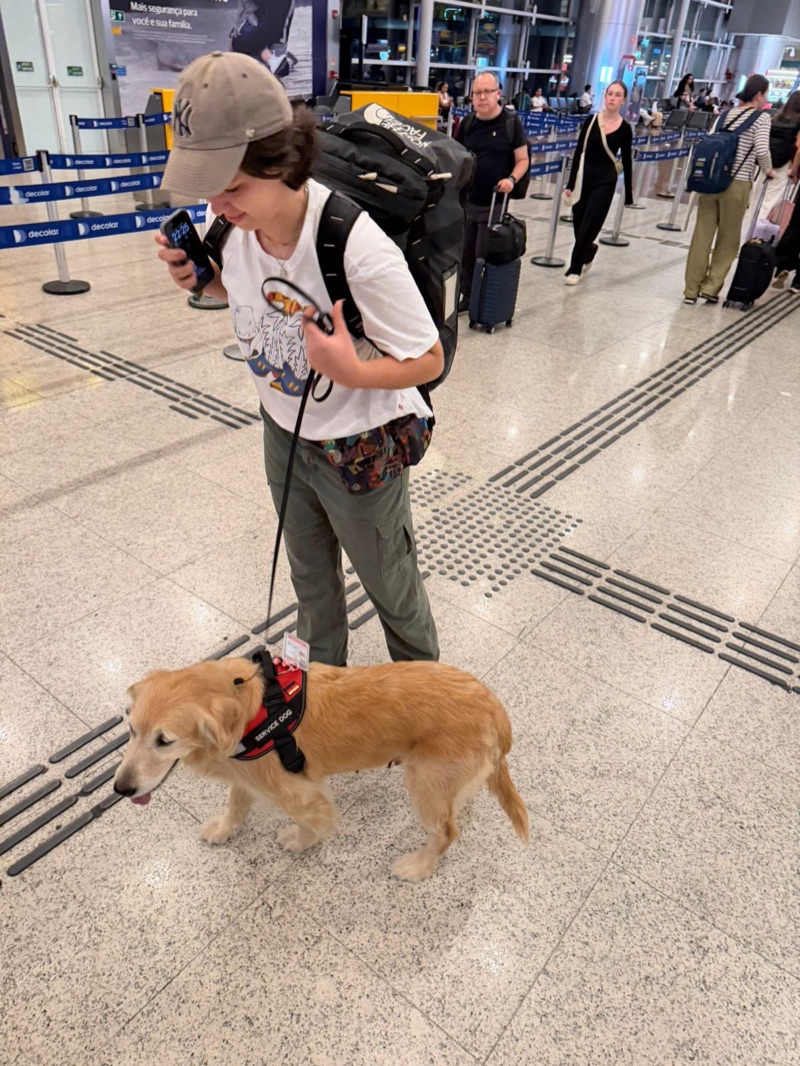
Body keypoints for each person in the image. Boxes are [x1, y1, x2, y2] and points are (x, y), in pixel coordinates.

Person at [158, 51, 442, 666]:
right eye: (208, 191)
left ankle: (427, 709)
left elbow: (428, 358)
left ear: (284, 162)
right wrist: (196, 280)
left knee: (391, 587)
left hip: (358, 443)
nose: (218, 207)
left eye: (231, 188)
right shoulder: (231, 228)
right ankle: (323, 697)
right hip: (282, 431)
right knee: (311, 586)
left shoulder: (354, 244)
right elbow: (242, 292)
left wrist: (355, 371)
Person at [683, 74, 776, 304]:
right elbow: (762, 150)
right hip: (738, 184)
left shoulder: (724, 115)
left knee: (702, 236)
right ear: (758, 94)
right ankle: (711, 288)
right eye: (766, 93)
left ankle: (691, 290)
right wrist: (769, 171)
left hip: (711, 182)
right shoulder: (761, 118)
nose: (766, 98)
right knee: (728, 239)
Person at [455, 71, 529, 311]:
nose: (481, 97)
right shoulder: (467, 124)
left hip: (495, 199)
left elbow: (523, 160)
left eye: (487, 92)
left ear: (498, 93)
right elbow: (455, 156)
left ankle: (483, 298)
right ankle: (467, 297)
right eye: (477, 93)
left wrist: (511, 179)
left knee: (482, 252)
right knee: (465, 252)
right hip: (468, 199)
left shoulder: (510, 123)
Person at [562, 80, 633, 285]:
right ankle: (589, 250)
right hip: (585, 177)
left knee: (589, 224)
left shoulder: (625, 128)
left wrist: (628, 193)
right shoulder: (591, 121)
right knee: (578, 222)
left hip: (605, 180)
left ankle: (574, 269)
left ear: (623, 100)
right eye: (610, 93)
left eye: (617, 95)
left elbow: (627, 160)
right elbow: (579, 152)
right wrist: (571, 183)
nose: (612, 98)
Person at [229, 0, 297, 79]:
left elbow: (271, 30)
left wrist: (237, 41)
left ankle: (272, 59)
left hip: (272, 46)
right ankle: (271, 59)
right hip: (258, 41)